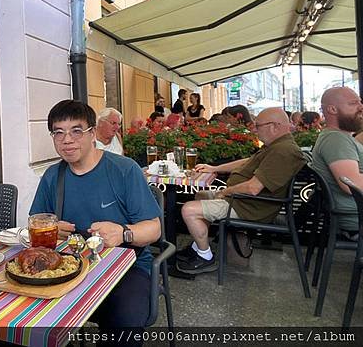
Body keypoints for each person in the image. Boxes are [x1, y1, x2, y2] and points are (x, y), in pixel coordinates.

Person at [30, 100, 161, 334]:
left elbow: (153, 229)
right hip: (68, 265)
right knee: (28, 312)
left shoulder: (124, 169)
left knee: (124, 319)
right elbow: (36, 224)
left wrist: (124, 232)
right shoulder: (52, 176)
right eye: (58, 133)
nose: (67, 140)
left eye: (76, 131)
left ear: (93, 134)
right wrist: (51, 229)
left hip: (126, 266)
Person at [177, 108, 305, 274]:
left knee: (188, 210)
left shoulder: (283, 151)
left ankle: (204, 257)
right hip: (244, 201)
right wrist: (214, 168)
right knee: (202, 195)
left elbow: (253, 188)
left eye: (258, 126)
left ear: (274, 126)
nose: (254, 129)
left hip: (249, 206)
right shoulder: (276, 146)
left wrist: (225, 192)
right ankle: (197, 246)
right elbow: (247, 162)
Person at [311, 87, 363, 239]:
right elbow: (351, 184)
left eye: (360, 102)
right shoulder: (335, 139)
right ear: (332, 109)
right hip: (355, 220)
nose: (361, 107)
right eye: (353, 103)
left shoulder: (340, 137)